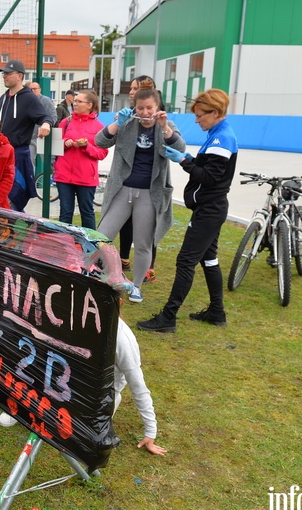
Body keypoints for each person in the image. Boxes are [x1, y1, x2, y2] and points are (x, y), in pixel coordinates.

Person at [137, 88, 238, 333]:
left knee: (185, 261)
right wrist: (188, 157)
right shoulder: (217, 134)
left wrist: (184, 160)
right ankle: (217, 311)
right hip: (209, 208)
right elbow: (209, 168)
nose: (196, 119)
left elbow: (210, 177)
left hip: (209, 210)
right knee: (209, 259)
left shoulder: (221, 138)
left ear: (215, 112)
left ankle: (168, 317)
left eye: (201, 115)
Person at [95, 88, 185, 304]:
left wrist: (164, 128)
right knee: (101, 236)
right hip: (122, 190)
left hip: (150, 194)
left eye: (149, 108)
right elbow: (100, 141)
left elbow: (180, 148)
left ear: (158, 108)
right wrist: (117, 123)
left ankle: (135, 286)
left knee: (144, 243)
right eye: (140, 108)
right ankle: (102, 276)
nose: (145, 113)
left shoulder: (167, 126)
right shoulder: (126, 123)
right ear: (134, 108)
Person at [119, 76, 163, 282]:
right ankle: (123, 258)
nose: (131, 91)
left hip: (148, 188)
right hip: (126, 186)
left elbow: (177, 145)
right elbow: (104, 140)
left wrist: (165, 129)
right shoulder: (128, 118)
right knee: (123, 225)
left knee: (146, 231)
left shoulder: (161, 120)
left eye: (136, 88)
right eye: (131, 88)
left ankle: (148, 268)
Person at [0, 60, 54, 212]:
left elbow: (45, 117)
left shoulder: (28, 98)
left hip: (17, 157)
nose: (4, 76)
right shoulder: (3, 98)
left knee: (11, 201)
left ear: (20, 76)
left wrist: (46, 124)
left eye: (8, 73)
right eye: (4, 73)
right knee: (0, 201)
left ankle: (20, 231)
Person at [52, 89, 106, 230]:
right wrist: (65, 143)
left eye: (79, 101)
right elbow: (54, 147)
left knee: (87, 213)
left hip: (86, 177)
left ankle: (90, 247)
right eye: (75, 101)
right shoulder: (65, 122)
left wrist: (87, 146)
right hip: (64, 176)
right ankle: (64, 244)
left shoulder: (99, 126)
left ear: (89, 105)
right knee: (65, 213)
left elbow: (102, 153)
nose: (75, 103)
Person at [113, 318, 167, 456]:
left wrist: (150, 431)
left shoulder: (121, 339)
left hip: (99, 400)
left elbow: (139, 389)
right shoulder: (74, 318)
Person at [26, 81, 58, 166]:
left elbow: (54, 117)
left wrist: (46, 124)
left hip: (44, 137)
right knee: (29, 163)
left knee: (48, 163)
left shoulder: (46, 101)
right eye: (30, 89)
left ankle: (50, 178)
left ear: (40, 90)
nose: (32, 91)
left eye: (35, 89)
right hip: (31, 138)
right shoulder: (27, 101)